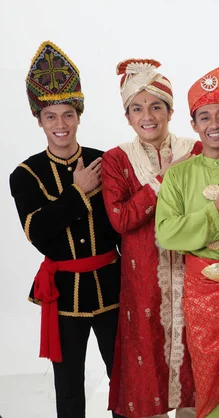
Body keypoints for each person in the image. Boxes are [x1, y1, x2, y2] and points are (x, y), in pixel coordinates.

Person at [9, 40, 123, 418]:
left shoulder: (106, 161)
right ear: (38, 120)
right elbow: (39, 232)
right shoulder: (24, 175)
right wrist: (78, 193)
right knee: (69, 386)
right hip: (64, 296)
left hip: (113, 288)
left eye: (68, 115)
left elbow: (124, 224)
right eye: (51, 116)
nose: (61, 124)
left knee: (123, 381)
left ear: (79, 116)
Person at [102, 58, 201, 418]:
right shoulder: (117, 160)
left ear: (171, 111)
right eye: (138, 108)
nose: (148, 116)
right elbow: (121, 219)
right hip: (144, 284)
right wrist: (163, 180)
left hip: (194, 278)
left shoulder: (196, 151)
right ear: (127, 116)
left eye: (157, 106)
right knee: (147, 379)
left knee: (194, 370)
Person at [156, 66, 219, 418]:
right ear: (193, 125)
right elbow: (167, 232)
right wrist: (215, 212)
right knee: (208, 379)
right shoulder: (178, 175)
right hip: (201, 292)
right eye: (204, 116)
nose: (214, 124)